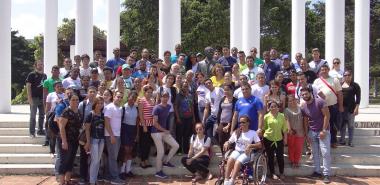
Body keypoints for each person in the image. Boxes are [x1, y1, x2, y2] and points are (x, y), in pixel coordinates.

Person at [300, 87, 331, 184]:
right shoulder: (304, 106)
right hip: (312, 132)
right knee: (315, 153)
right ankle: (317, 171)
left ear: (310, 93)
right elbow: (305, 121)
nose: (305, 96)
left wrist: (324, 130)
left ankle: (326, 174)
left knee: (325, 153)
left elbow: (327, 115)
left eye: (306, 94)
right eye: (303, 94)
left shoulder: (320, 102)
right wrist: (306, 133)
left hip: (323, 131)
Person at [223, 115, 262, 185]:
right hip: (237, 151)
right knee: (230, 160)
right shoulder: (236, 132)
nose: (241, 124)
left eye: (243, 122)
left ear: (248, 123)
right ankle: (226, 181)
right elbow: (230, 141)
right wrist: (227, 143)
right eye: (240, 122)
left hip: (246, 153)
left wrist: (250, 145)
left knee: (238, 162)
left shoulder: (252, 133)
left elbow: (259, 144)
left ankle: (232, 181)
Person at [313, 64, 343, 148]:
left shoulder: (334, 80)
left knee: (332, 124)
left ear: (328, 70)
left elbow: (340, 93)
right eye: (322, 69)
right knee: (322, 124)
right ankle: (323, 141)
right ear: (320, 71)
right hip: (321, 107)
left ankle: (333, 141)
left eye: (325, 69)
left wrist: (341, 106)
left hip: (333, 106)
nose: (324, 71)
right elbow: (315, 94)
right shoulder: (316, 81)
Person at [152, 91, 179, 178]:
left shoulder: (168, 106)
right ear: (160, 97)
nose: (165, 98)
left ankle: (166, 161)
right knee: (161, 152)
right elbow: (155, 123)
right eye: (163, 96)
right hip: (156, 132)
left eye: (167, 97)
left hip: (164, 132)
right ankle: (158, 171)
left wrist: (166, 130)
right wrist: (165, 130)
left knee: (176, 145)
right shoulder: (156, 108)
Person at [57, 94, 81, 185]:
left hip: (74, 140)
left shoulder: (78, 111)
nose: (75, 101)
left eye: (77, 100)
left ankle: (67, 180)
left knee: (71, 160)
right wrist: (64, 141)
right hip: (66, 140)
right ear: (69, 101)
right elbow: (62, 127)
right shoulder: (66, 111)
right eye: (73, 100)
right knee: (64, 160)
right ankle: (61, 182)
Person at [104, 91, 125, 184]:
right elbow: (106, 122)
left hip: (117, 135)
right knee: (113, 157)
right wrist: (112, 135)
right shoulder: (109, 107)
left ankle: (108, 176)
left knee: (112, 157)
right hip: (111, 136)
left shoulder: (119, 108)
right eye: (118, 97)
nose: (119, 99)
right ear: (114, 97)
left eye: (121, 97)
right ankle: (114, 178)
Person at [262, 101, 287, 180]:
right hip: (268, 139)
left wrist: (285, 138)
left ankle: (281, 173)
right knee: (270, 157)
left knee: (280, 157)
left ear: (278, 107)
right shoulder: (266, 116)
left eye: (275, 106)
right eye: (271, 107)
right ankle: (272, 173)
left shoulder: (282, 116)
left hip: (279, 139)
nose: (273, 108)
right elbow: (264, 128)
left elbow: (284, 129)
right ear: (269, 108)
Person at [78, 86, 97, 184]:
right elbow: (80, 118)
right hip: (85, 134)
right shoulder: (82, 104)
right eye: (91, 92)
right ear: (87, 93)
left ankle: (93, 177)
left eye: (94, 92)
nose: (92, 93)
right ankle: (82, 177)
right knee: (84, 157)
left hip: (97, 134)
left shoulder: (99, 104)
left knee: (96, 157)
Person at [84, 97, 105, 185]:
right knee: (94, 160)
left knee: (98, 160)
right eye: (98, 103)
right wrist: (88, 142)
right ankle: (92, 181)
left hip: (101, 140)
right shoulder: (90, 114)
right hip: (93, 140)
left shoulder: (103, 114)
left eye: (101, 103)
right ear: (95, 104)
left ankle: (95, 179)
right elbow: (87, 129)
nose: (100, 105)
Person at [120, 92, 139, 179]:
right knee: (126, 151)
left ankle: (128, 170)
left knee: (131, 151)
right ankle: (122, 171)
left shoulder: (136, 108)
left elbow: (137, 122)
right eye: (132, 98)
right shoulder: (123, 108)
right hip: (125, 130)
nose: (133, 100)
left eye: (135, 98)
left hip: (133, 130)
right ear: (128, 98)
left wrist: (137, 133)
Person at [26, 60, 47, 137]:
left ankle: (40, 130)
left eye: (42, 64)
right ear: (35, 66)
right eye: (39, 64)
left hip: (42, 98)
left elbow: (45, 87)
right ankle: (32, 132)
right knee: (33, 116)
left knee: (42, 115)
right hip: (34, 98)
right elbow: (28, 86)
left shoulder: (45, 76)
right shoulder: (31, 74)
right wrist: (29, 98)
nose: (41, 66)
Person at [340, 70, 361, 147]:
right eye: (345, 75)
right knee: (342, 125)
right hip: (342, 108)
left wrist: (357, 108)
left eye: (348, 75)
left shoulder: (355, 85)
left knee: (351, 126)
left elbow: (358, 98)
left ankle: (350, 141)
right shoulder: (340, 84)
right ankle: (342, 140)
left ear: (351, 76)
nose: (347, 76)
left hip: (351, 108)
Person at [175, 81, 195, 154]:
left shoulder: (190, 95)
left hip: (189, 117)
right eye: (184, 86)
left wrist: (193, 118)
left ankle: (186, 150)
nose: (186, 88)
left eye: (187, 86)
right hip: (181, 117)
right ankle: (179, 150)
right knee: (179, 134)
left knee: (187, 135)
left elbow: (192, 107)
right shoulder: (178, 96)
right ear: (181, 87)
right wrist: (177, 117)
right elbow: (176, 107)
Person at [285, 95, 305, 168]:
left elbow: (304, 119)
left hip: (301, 131)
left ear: (296, 100)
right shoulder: (286, 110)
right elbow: (286, 120)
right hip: (292, 132)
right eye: (290, 101)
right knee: (292, 147)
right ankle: (292, 161)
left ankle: (297, 161)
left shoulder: (301, 108)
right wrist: (289, 129)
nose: (292, 102)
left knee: (299, 148)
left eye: (293, 100)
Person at [138, 85, 155, 168]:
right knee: (143, 143)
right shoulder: (142, 100)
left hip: (151, 125)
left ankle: (146, 159)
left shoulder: (152, 100)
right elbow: (140, 114)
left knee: (148, 143)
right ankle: (142, 160)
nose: (149, 94)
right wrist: (144, 125)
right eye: (148, 92)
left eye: (151, 92)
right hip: (144, 125)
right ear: (144, 92)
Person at [45, 82, 64, 155]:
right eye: (58, 86)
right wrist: (47, 116)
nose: (59, 88)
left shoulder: (65, 94)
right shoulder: (51, 95)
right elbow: (48, 106)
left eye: (60, 86)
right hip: (53, 115)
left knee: (61, 134)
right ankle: (52, 151)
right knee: (52, 134)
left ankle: (60, 152)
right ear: (54, 87)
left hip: (62, 116)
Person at [216, 84, 237, 152]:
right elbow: (219, 112)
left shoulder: (235, 100)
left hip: (230, 125)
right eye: (225, 90)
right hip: (221, 124)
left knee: (229, 142)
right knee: (221, 141)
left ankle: (228, 158)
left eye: (228, 90)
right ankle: (223, 159)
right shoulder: (222, 99)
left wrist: (229, 125)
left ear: (232, 90)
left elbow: (234, 114)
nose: (226, 91)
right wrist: (218, 123)